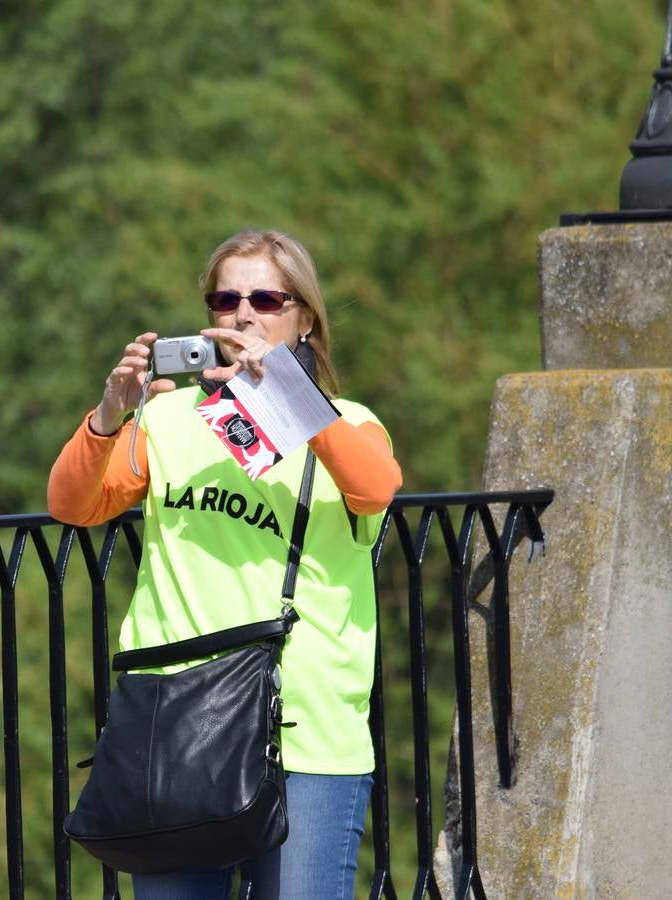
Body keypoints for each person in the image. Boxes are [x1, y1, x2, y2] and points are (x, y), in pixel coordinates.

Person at [47, 229, 401, 899]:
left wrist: (286, 393)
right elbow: (72, 504)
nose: (242, 315)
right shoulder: (169, 419)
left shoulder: (347, 422)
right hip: (178, 726)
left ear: (305, 320)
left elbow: (373, 486)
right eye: (224, 299)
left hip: (304, 732)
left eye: (266, 298)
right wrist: (107, 415)